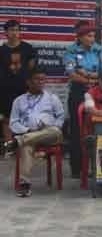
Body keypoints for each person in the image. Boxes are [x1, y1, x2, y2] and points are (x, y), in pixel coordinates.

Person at [4, 68, 65, 196]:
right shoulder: (19, 101)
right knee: (26, 146)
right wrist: (27, 130)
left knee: (55, 131)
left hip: (50, 134)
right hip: (29, 133)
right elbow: (13, 123)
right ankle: (24, 184)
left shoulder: (52, 98)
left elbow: (61, 117)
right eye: (37, 79)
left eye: (43, 79)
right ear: (29, 82)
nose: (41, 82)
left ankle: (17, 141)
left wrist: (54, 126)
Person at [62, 19, 102, 177]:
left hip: (96, 92)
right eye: (89, 36)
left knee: (97, 128)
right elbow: (72, 74)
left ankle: (99, 168)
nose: (92, 39)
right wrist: (89, 78)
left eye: (93, 36)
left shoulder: (98, 50)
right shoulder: (71, 51)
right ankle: (77, 169)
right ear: (80, 37)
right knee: (77, 130)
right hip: (78, 92)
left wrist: (86, 73)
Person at [1, 20, 38, 156]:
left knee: (26, 118)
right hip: (5, 89)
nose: (14, 33)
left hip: (24, 88)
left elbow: (32, 67)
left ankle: (25, 148)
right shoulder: (2, 50)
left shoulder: (28, 48)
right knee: (7, 119)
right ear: (6, 32)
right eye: (11, 30)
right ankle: (9, 148)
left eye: (17, 30)